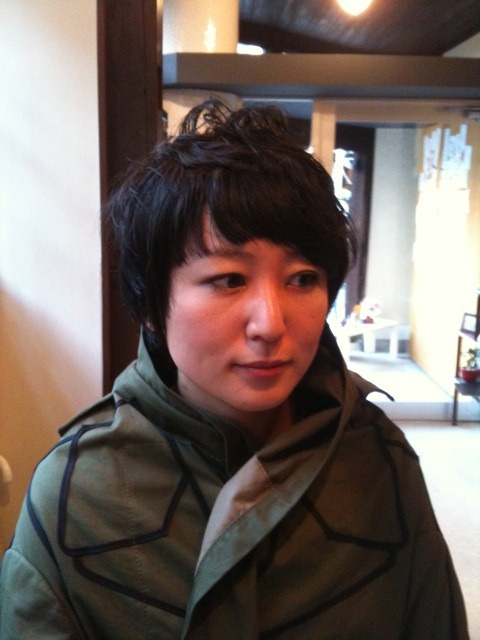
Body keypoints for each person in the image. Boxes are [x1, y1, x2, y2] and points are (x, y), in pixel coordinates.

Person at [0, 100, 469, 639]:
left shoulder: (378, 460)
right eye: (228, 280)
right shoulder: (77, 489)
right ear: (152, 303)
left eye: (302, 279)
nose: (270, 324)